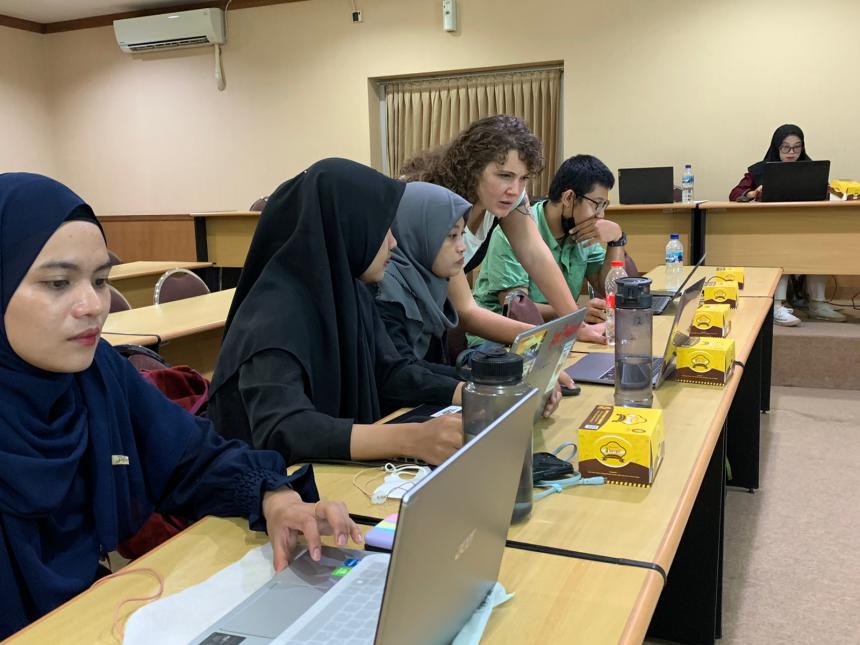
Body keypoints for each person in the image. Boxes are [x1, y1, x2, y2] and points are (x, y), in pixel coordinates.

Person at [0, 173, 363, 639]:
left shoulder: (95, 375)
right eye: (57, 282)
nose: (93, 305)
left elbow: (191, 456)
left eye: (101, 279)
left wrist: (273, 497)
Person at [208, 159, 470, 468]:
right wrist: (410, 439)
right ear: (346, 227)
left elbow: (390, 373)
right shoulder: (272, 315)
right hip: (270, 493)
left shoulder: (348, 290)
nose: (393, 242)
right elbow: (283, 428)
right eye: (382, 229)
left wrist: (473, 392)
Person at [401, 115, 609, 346]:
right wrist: (558, 334)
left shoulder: (504, 198)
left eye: (523, 178)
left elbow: (535, 254)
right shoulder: (440, 204)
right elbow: (467, 311)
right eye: (504, 176)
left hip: (430, 314)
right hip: (399, 318)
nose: (515, 190)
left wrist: (574, 323)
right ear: (472, 169)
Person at [470, 155, 626, 329]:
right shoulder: (515, 232)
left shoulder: (581, 232)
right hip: (498, 341)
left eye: (604, 205)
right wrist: (576, 312)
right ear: (568, 198)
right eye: (596, 204)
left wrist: (617, 240)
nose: (600, 215)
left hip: (561, 330)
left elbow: (612, 292)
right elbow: (517, 309)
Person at [729, 124, 846, 325]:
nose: (792, 153)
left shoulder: (811, 168)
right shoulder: (759, 170)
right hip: (771, 231)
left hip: (807, 228)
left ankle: (817, 303)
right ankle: (777, 306)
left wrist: (830, 192)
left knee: (821, 248)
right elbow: (734, 194)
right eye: (785, 147)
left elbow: (826, 195)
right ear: (776, 147)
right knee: (780, 250)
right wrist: (753, 193)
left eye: (797, 147)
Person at [374, 182, 469, 379]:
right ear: (417, 233)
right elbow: (401, 372)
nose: (462, 247)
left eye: (462, 234)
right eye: (451, 235)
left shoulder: (432, 284)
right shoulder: (385, 288)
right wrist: (475, 382)